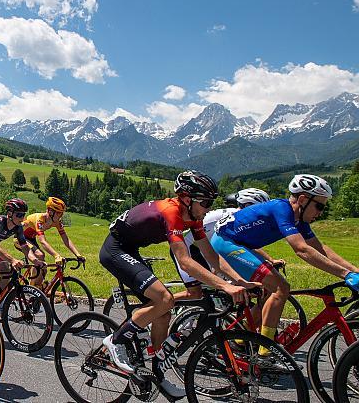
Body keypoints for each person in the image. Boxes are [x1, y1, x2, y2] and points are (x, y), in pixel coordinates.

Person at [99, 170, 252, 399]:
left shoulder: (193, 216)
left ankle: (156, 371)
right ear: (188, 199)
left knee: (163, 312)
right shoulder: (172, 212)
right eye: (206, 202)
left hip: (130, 249)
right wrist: (224, 286)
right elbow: (185, 261)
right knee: (165, 299)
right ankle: (116, 339)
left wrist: (238, 281)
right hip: (115, 250)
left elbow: (211, 255)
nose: (209, 208)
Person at [212, 174, 359, 355]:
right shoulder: (282, 209)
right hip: (226, 243)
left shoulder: (299, 220)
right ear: (303, 199)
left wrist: (355, 271)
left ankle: (240, 338)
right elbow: (302, 249)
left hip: (241, 244)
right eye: (319, 206)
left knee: (269, 291)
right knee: (281, 287)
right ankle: (265, 351)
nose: (320, 212)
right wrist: (345, 275)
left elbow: (321, 248)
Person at [172, 188, 275, 301]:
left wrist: (270, 259)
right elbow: (215, 245)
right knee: (196, 293)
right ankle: (163, 302)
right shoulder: (233, 218)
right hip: (189, 248)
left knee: (229, 284)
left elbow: (245, 246)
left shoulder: (242, 219)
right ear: (247, 206)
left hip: (204, 248)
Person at [19, 197, 85, 288]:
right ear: (50, 212)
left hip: (31, 239)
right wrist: (56, 255)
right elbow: (42, 241)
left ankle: (38, 288)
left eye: (61, 213)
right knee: (40, 255)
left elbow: (66, 239)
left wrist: (78, 255)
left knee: (44, 268)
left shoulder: (56, 221)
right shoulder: (40, 219)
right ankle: (31, 288)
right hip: (20, 238)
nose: (61, 215)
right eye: (59, 213)